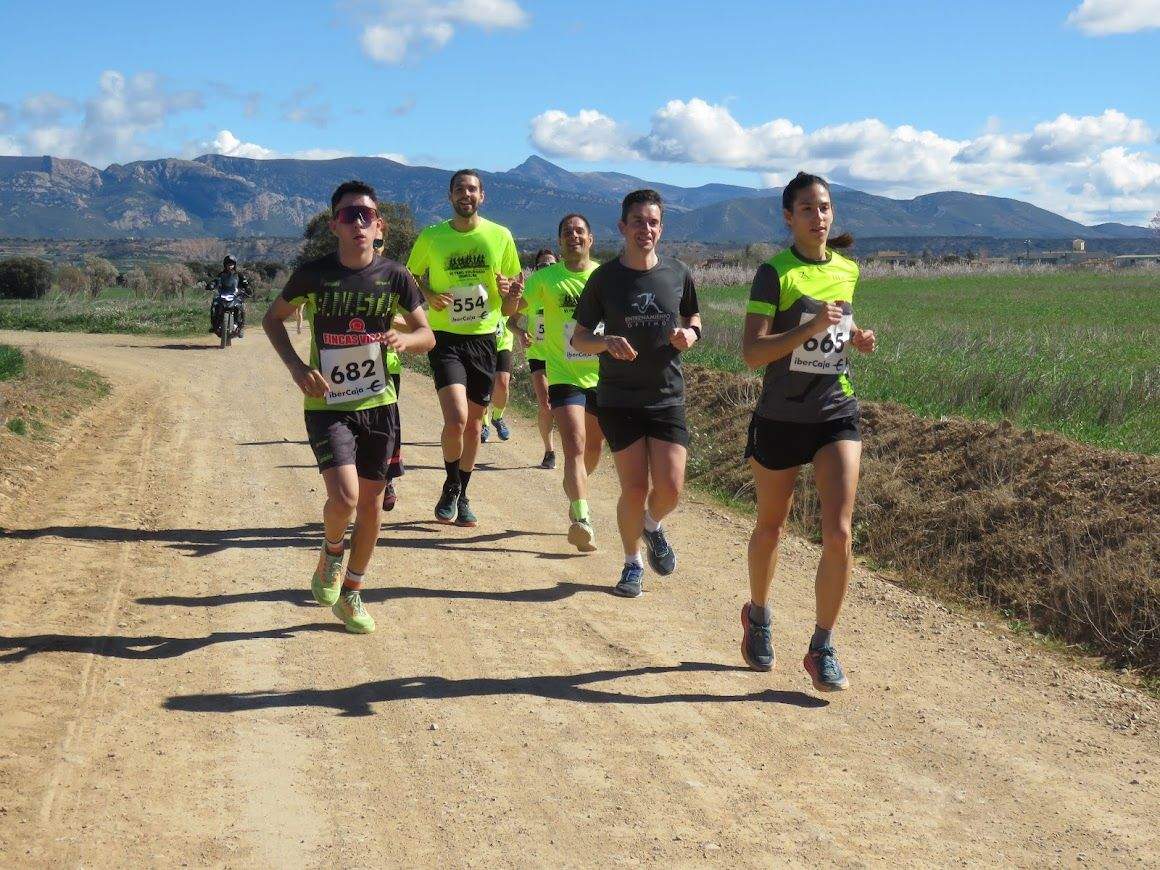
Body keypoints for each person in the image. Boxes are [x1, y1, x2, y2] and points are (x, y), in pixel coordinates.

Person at [262, 180, 434, 634]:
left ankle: (353, 591)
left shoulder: (396, 275)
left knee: (372, 506)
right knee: (345, 497)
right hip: (327, 404)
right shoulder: (314, 274)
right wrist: (297, 367)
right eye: (347, 215)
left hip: (380, 403)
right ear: (334, 225)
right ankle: (332, 550)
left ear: (380, 226)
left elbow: (427, 334)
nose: (358, 222)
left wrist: (407, 340)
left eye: (366, 215)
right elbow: (272, 319)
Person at [738, 171, 877, 692]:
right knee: (771, 527)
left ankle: (822, 646)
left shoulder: (847, 268)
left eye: (824, 207)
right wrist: (809, 328)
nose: (818, 217)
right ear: (788, 217)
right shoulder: (774, 273)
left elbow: (839, 325)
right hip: (780, 416)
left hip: (835, 410)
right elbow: (753, 353)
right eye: (806, 209)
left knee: (838, 531)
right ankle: (758, 614)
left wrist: (855, 336)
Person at [571, 190, 701, 596]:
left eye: (653, 222)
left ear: (661, 228)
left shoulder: (678, 272)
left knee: (671, 488)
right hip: (619, 398)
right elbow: (578, 338)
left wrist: (691, 334)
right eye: (638, 221)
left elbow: (694, 317)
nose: (646, 228)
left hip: (667, 394)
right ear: (622, 227)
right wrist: (605, 342)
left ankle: (651, 525)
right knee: (634, 487)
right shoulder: (604, 279)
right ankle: (631, 563)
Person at [406, 169, 521, 527]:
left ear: (482, 196)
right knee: (456, 418)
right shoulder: (432, 236)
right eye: (459, 189)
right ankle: (451, 483)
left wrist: (510, 293)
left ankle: (462, 492)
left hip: (484, 338)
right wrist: (427, 294)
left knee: (473, 426)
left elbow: (510, 304)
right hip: (445, 337)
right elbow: (408, 275)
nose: (466, 194)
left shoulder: (500, 236)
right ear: (450, 196)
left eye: (472, 189)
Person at [505, 216, 603, 552]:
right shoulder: (544, 279)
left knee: (593, 449)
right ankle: (582, 519)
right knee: (574, 445)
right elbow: (510, 312)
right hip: (563, 374)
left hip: (602, 376)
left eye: (579, 231)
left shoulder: (605, 276)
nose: (573, 236)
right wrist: (512, 297)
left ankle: (577, 490)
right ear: (559, 241)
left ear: (590, 238)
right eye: (566, 233)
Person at [514, 248, 559, 469]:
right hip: (538, 355)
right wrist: (521, 333)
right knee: (546, 403)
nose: (547, 268)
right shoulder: (532, 295)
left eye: (551, 264)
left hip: (563, 356)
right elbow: (511, 321)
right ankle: (549, 451)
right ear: (536, 269)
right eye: (542, 265)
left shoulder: (563, 291)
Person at [481, 314, 515, 443]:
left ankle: (497, 418)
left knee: (503, 383)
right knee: (482, 385)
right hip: (481, 341)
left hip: (503, 342)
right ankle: (484, 424)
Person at [209, 255, 250, 336]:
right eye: (228, 264)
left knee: (241, 306)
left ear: (234, 265)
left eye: (231, 264)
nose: (230, 266)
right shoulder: (221, 274)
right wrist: (211, 285)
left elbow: (245, 283)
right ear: (225, 265)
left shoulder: (239, 275)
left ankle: (241, 327)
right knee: (214, 306)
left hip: (235, 295)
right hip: (223, 294)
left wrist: (247, 288)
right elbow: (215, 281)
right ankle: (215, 325)